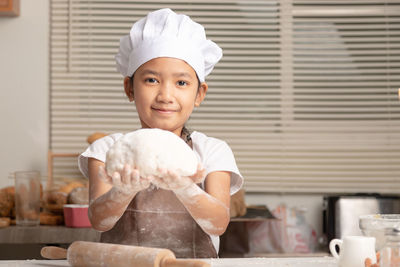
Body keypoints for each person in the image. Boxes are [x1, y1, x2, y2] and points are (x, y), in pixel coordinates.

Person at [78, 8, 243, 258]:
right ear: (129, 88)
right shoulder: (106, 149)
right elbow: (100, 221)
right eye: (152, 80)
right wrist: (122, 190)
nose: (166, 96)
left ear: (199, 94)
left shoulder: (211, 151)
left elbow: (218, 224)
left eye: (181, 83)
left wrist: (186, 188)